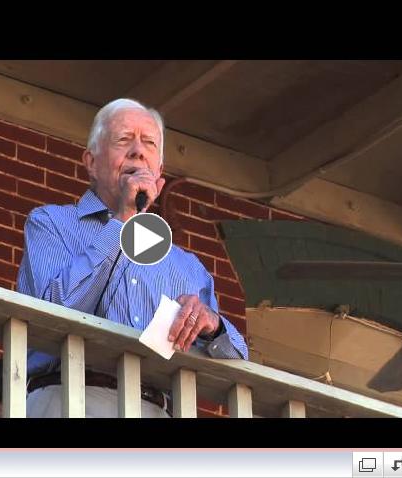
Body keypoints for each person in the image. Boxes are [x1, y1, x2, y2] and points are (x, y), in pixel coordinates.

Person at [17, 98, 249, 417]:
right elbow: (53, 315)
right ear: (91, 162)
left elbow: (235, 372)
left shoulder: (189, 268)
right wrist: (124, 217)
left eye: (149, 143)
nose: (138, 150)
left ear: (160, 176)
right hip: (66, 398)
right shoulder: (51, 223)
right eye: (124, 139)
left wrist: (213, 326)